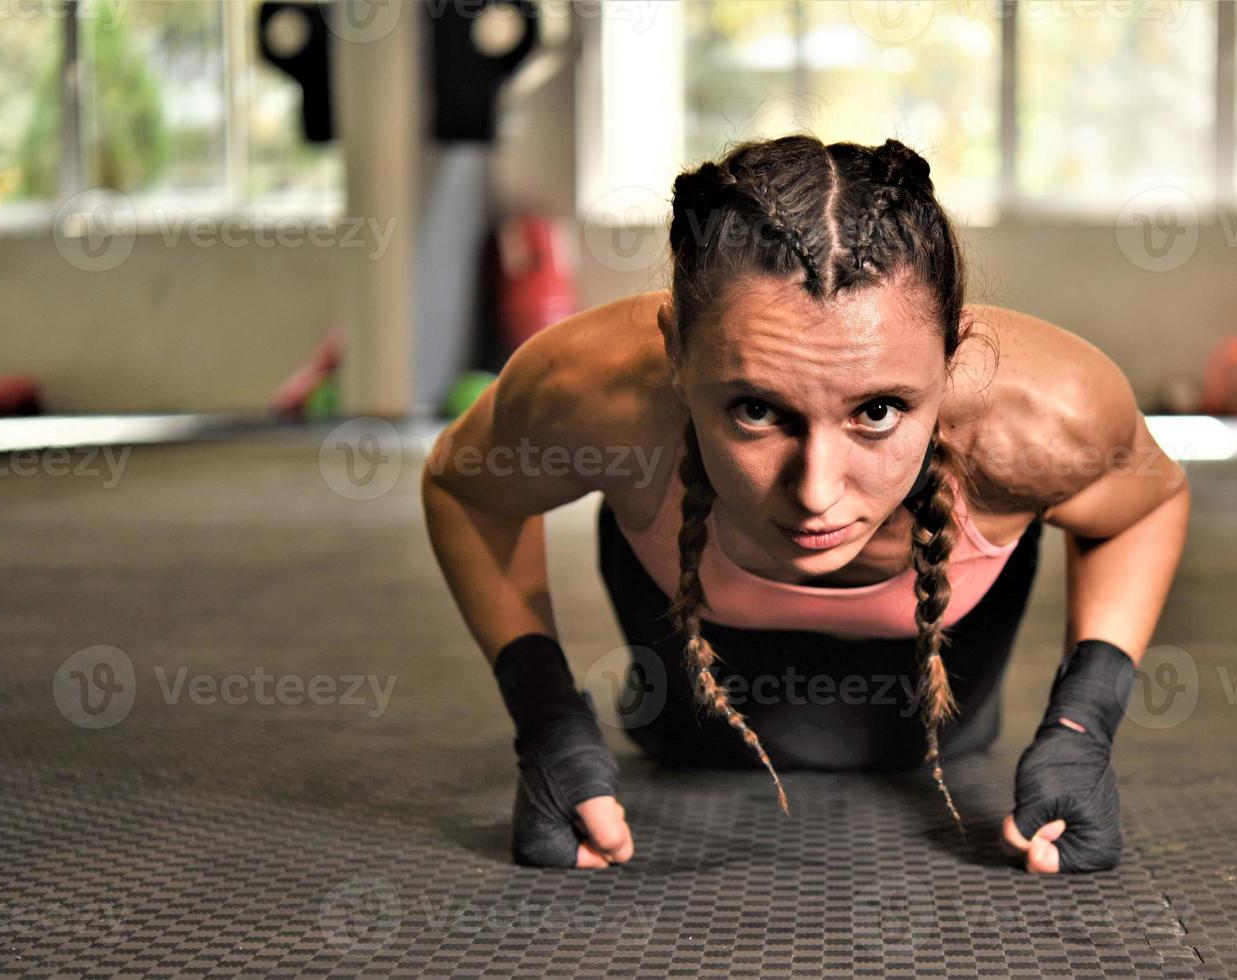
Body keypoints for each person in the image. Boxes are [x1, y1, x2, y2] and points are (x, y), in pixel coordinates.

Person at [422, 134, 1190, 875]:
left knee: (940, 739)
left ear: (953, 358)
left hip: (936, 712)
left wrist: (1083, 721)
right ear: (675, 354)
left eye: (879, 410)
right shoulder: (590, 392)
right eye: (756, 410)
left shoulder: (1046, 412)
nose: (816, 493)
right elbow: (468, 491)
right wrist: (546, 717)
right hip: (685, 710)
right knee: (677, 735)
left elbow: (1143, 508)